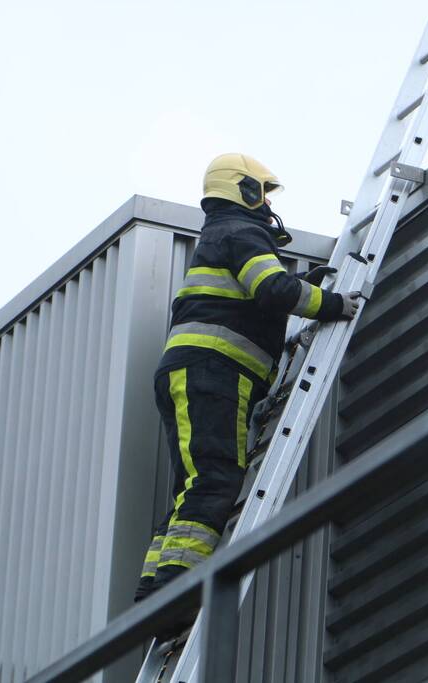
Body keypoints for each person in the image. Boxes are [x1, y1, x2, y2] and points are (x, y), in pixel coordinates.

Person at [134, 153, 361, 615]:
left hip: (192, 373)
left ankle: (155, 589)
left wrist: (302, 284)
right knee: (214, 480)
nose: (268, 204)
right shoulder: (243, 232)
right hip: (215, 373)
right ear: (245, 189)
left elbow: (254, 297)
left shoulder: (222, 235)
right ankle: (178, 594)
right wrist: (334, 303)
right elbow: (272, 290)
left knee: (193, 486)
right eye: (264, 192)